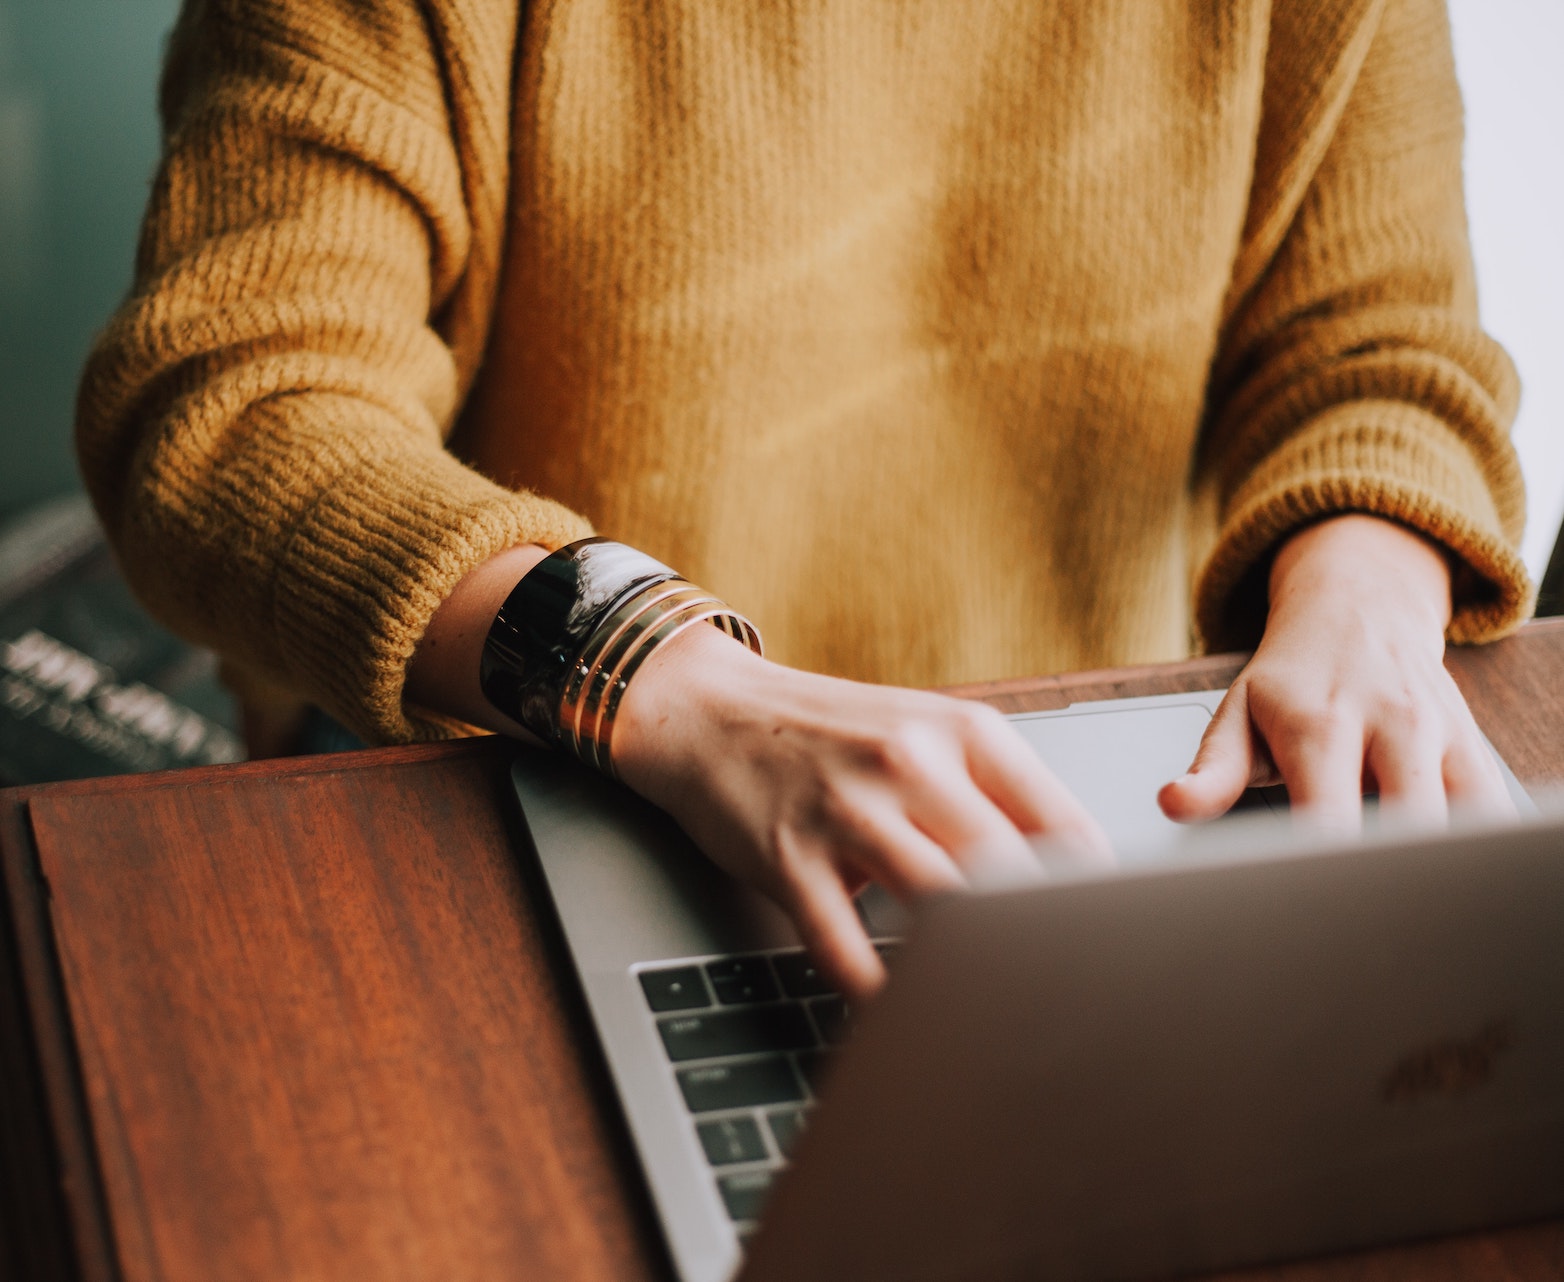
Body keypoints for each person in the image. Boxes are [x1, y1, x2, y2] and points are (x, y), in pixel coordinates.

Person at [77, 0, 1532, 999]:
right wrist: (656, 673)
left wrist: (1370, 586)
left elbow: (1382, 348)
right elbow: (231, 400)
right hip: (530, 759)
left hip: (1079, 807)